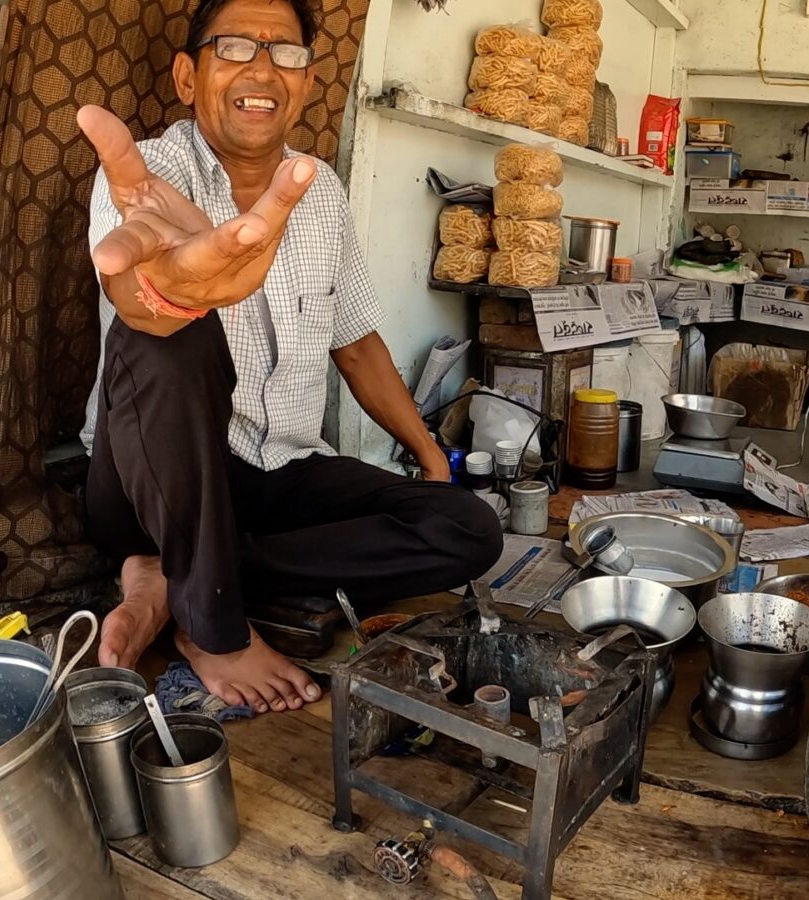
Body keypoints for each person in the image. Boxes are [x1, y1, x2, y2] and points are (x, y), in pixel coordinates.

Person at [78, 0, 502, 715]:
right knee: (171, 331)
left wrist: (431, 461)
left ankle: (177, 576)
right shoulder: (147, 174)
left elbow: (356, 338)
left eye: (287, 53)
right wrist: (174, 294)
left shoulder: (320, 190)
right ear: (188, 77)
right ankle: (211, 626)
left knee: (467, 528)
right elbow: (135, 301)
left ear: (307, 83)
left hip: (281, 471)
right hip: (146, 482)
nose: (264, 68)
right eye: (235, 48)